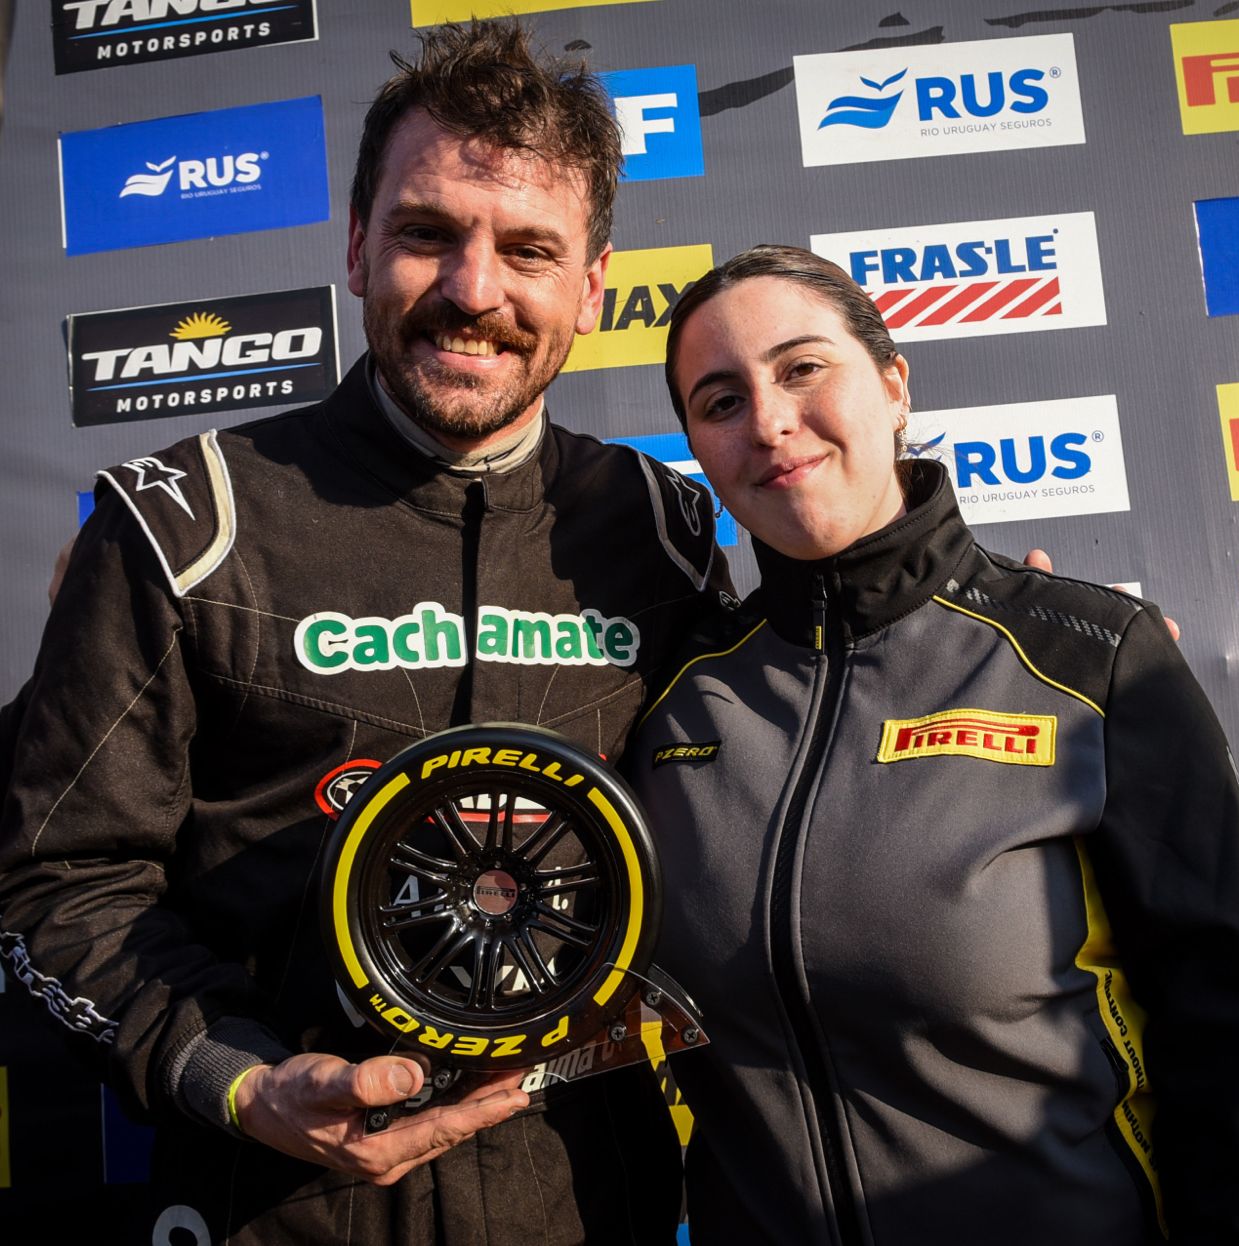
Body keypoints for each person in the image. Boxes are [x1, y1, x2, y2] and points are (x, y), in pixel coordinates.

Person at [0, 23, 718, 1245]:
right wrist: (241, 1079)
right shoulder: (185, 521)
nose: (474, 291)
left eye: (528, 250)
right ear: (354, 246)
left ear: (593, 287)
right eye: (427, 233)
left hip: (587, 1201)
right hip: (274, 1206)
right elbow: (55, 882)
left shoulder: (663, 530)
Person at [621, 245, 1239, 1246]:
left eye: (802, 368)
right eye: (721, 401)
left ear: (893, 385)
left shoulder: (1089, 657)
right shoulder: (672, 697)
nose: (769, 422)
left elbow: (1234, 1049)